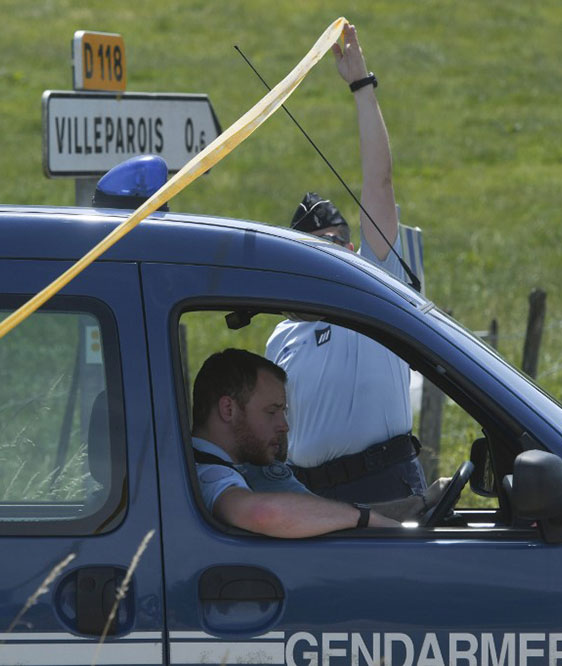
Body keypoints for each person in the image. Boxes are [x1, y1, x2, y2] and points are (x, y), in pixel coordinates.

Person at [266, 22, 435, 504]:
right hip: (310, 498)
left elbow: (379, 184)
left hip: (387, 488)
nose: (335, 251)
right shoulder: (281, 336)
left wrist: (361, 86)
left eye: (341, 241)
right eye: (318, 245)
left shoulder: (376, 285)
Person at [190, 348, 400, 537]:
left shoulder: (200, 464)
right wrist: (363, 519)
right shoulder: (208, 474)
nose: (284, 425)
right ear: (228, 409)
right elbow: (263, 514)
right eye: (271, 411)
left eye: (284, 412)